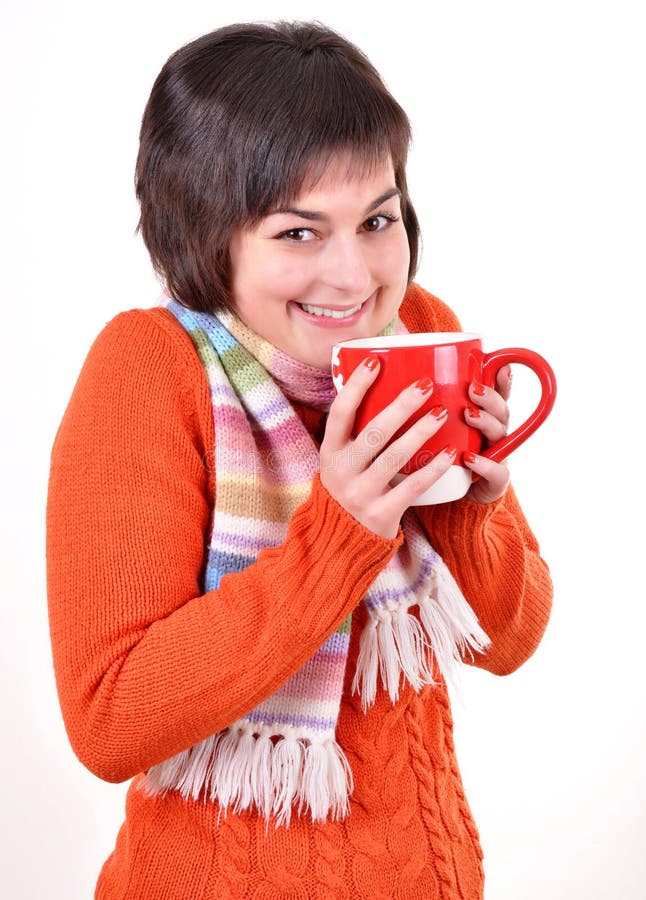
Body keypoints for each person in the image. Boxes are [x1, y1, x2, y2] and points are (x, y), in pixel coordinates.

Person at [46, 21, 553, 900]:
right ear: (209, 234)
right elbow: (109, 720)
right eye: (297, 233)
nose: (354, 278)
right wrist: (342, 533)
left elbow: (511, 640)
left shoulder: (419, 332)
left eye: (378, 219)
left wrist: (470, 504)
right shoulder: (149, 368)